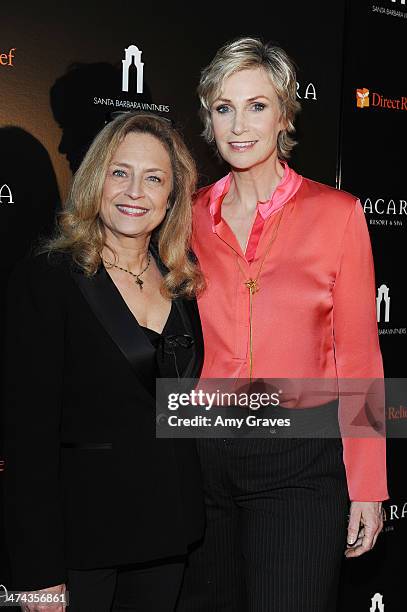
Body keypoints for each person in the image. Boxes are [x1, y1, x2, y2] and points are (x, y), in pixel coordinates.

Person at [177, 37, 388, 612]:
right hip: (202, 454)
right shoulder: (187, 216)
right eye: (224, 108)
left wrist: (369, 486)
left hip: (300, 459)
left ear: (285, 115)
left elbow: (360, 357)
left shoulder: (337, 213)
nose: (239, 125)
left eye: (257, 105)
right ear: (208, 119)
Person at [2, 112, 206, 612]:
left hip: (168, 537)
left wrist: (350, 414)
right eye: (121, 172)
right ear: (96, 179)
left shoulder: (182, 283)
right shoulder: (47, 279)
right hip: (80, 548)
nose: (135, 191)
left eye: (154, 178)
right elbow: (26, 439)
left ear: (172, 197)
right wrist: (37, 573)